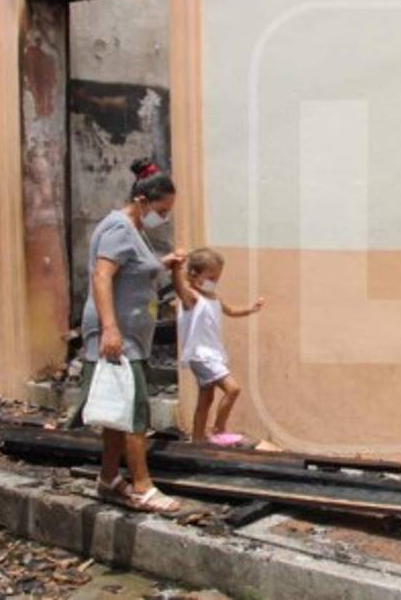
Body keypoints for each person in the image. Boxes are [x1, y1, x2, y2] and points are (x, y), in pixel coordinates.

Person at [74, 158, 183, 513]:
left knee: (118, 411)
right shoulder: (120, 228)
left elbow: (133, 270)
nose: (163, 217)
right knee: (135, 410)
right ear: (143, 201)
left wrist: (163, 264)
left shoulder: (134, 230)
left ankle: (108, 479)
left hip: (128, 335)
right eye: (162, 210)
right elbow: (103, 276)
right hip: (118, 335)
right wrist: (110, 329)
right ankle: (142, 486)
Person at [173, 247, 264, 446]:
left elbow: (230, 310)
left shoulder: (212, 297)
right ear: (194, 274)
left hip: (212, 354)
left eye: (217, 278)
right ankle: (218, 429)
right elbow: (180, 289)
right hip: (201, 355)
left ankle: (196, 441)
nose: (213, 282)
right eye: (211, 277)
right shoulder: (192, 297)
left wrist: (250, 309)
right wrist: (176, 269)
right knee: (233, 389)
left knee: (205, 399)